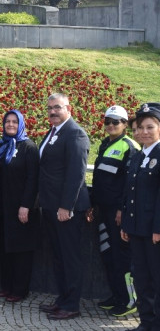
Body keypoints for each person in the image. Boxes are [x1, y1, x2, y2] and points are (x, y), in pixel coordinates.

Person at [38, 93, 90, 320]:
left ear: (69, 108)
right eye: (49, 108)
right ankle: (62, 299)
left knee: (69, 257)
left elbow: (76, 174)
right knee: (59, 256)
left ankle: (71, 305)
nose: (52, 111)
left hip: (66, 209)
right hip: (51, 206)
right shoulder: (54, 132)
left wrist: (65, 207)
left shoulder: (75, 133)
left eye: (57, 107)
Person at [92, 106, 139, 317]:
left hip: (118, 213)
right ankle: (117, 295)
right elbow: (100, 181)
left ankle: (130, 300)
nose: (111, 125)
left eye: (116, 121)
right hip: (103, 209)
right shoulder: (105, 144)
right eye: (108, 121)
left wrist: (122, 209)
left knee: (122, 257)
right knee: (108, 254)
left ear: (125, 124)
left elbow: (131, 183)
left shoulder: (130, 146)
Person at [121, 103, 160, 331]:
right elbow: (129, 194)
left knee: (157, 280)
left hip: (154, 231)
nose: (143, 132)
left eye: (150, 127)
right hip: (136, 228)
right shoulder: (137, 156)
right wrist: (126, 223)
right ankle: (146, 323)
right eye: (139, 128)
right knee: (141, 279)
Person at [0, 109, 40, 302]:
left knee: (21, 250)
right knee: (5, 248)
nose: (11, 125)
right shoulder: (1, 145)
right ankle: (6, 285)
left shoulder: (29, 147)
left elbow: (33, 179)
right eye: (8, 121)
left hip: (21, 208)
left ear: (21, 124)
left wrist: (26, 205)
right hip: (3, 207)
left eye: (15, 121)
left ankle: (20, 290)